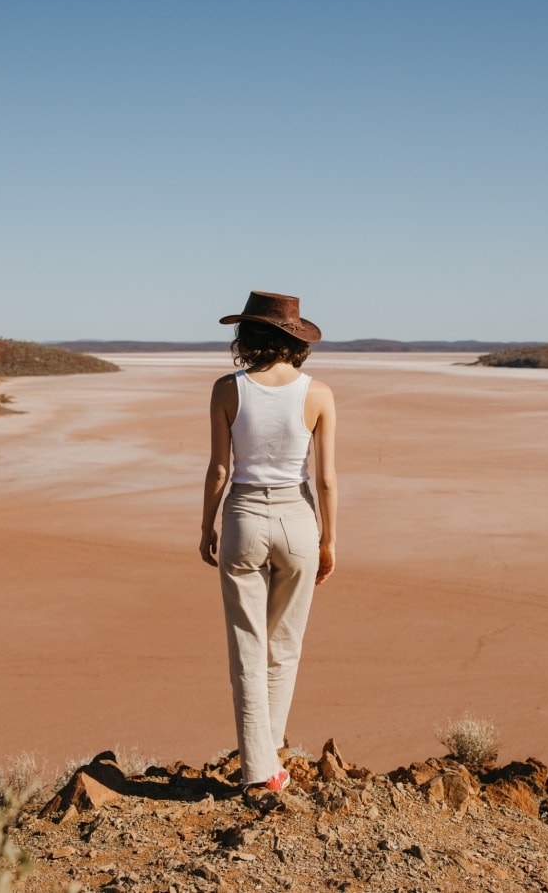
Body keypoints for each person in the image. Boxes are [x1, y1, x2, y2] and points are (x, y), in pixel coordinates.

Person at [199, 291, 337, 792]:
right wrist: (329, 540)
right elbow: (326, 480)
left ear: (250, 336)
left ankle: (260, 766)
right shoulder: (318, 393)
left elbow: (219, 469)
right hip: (299, 519)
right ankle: (267, 759)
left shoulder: (226, 389)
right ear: (293, 339)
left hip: (243, 517)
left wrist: (206, 525)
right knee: (285, 645)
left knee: (247, 646)